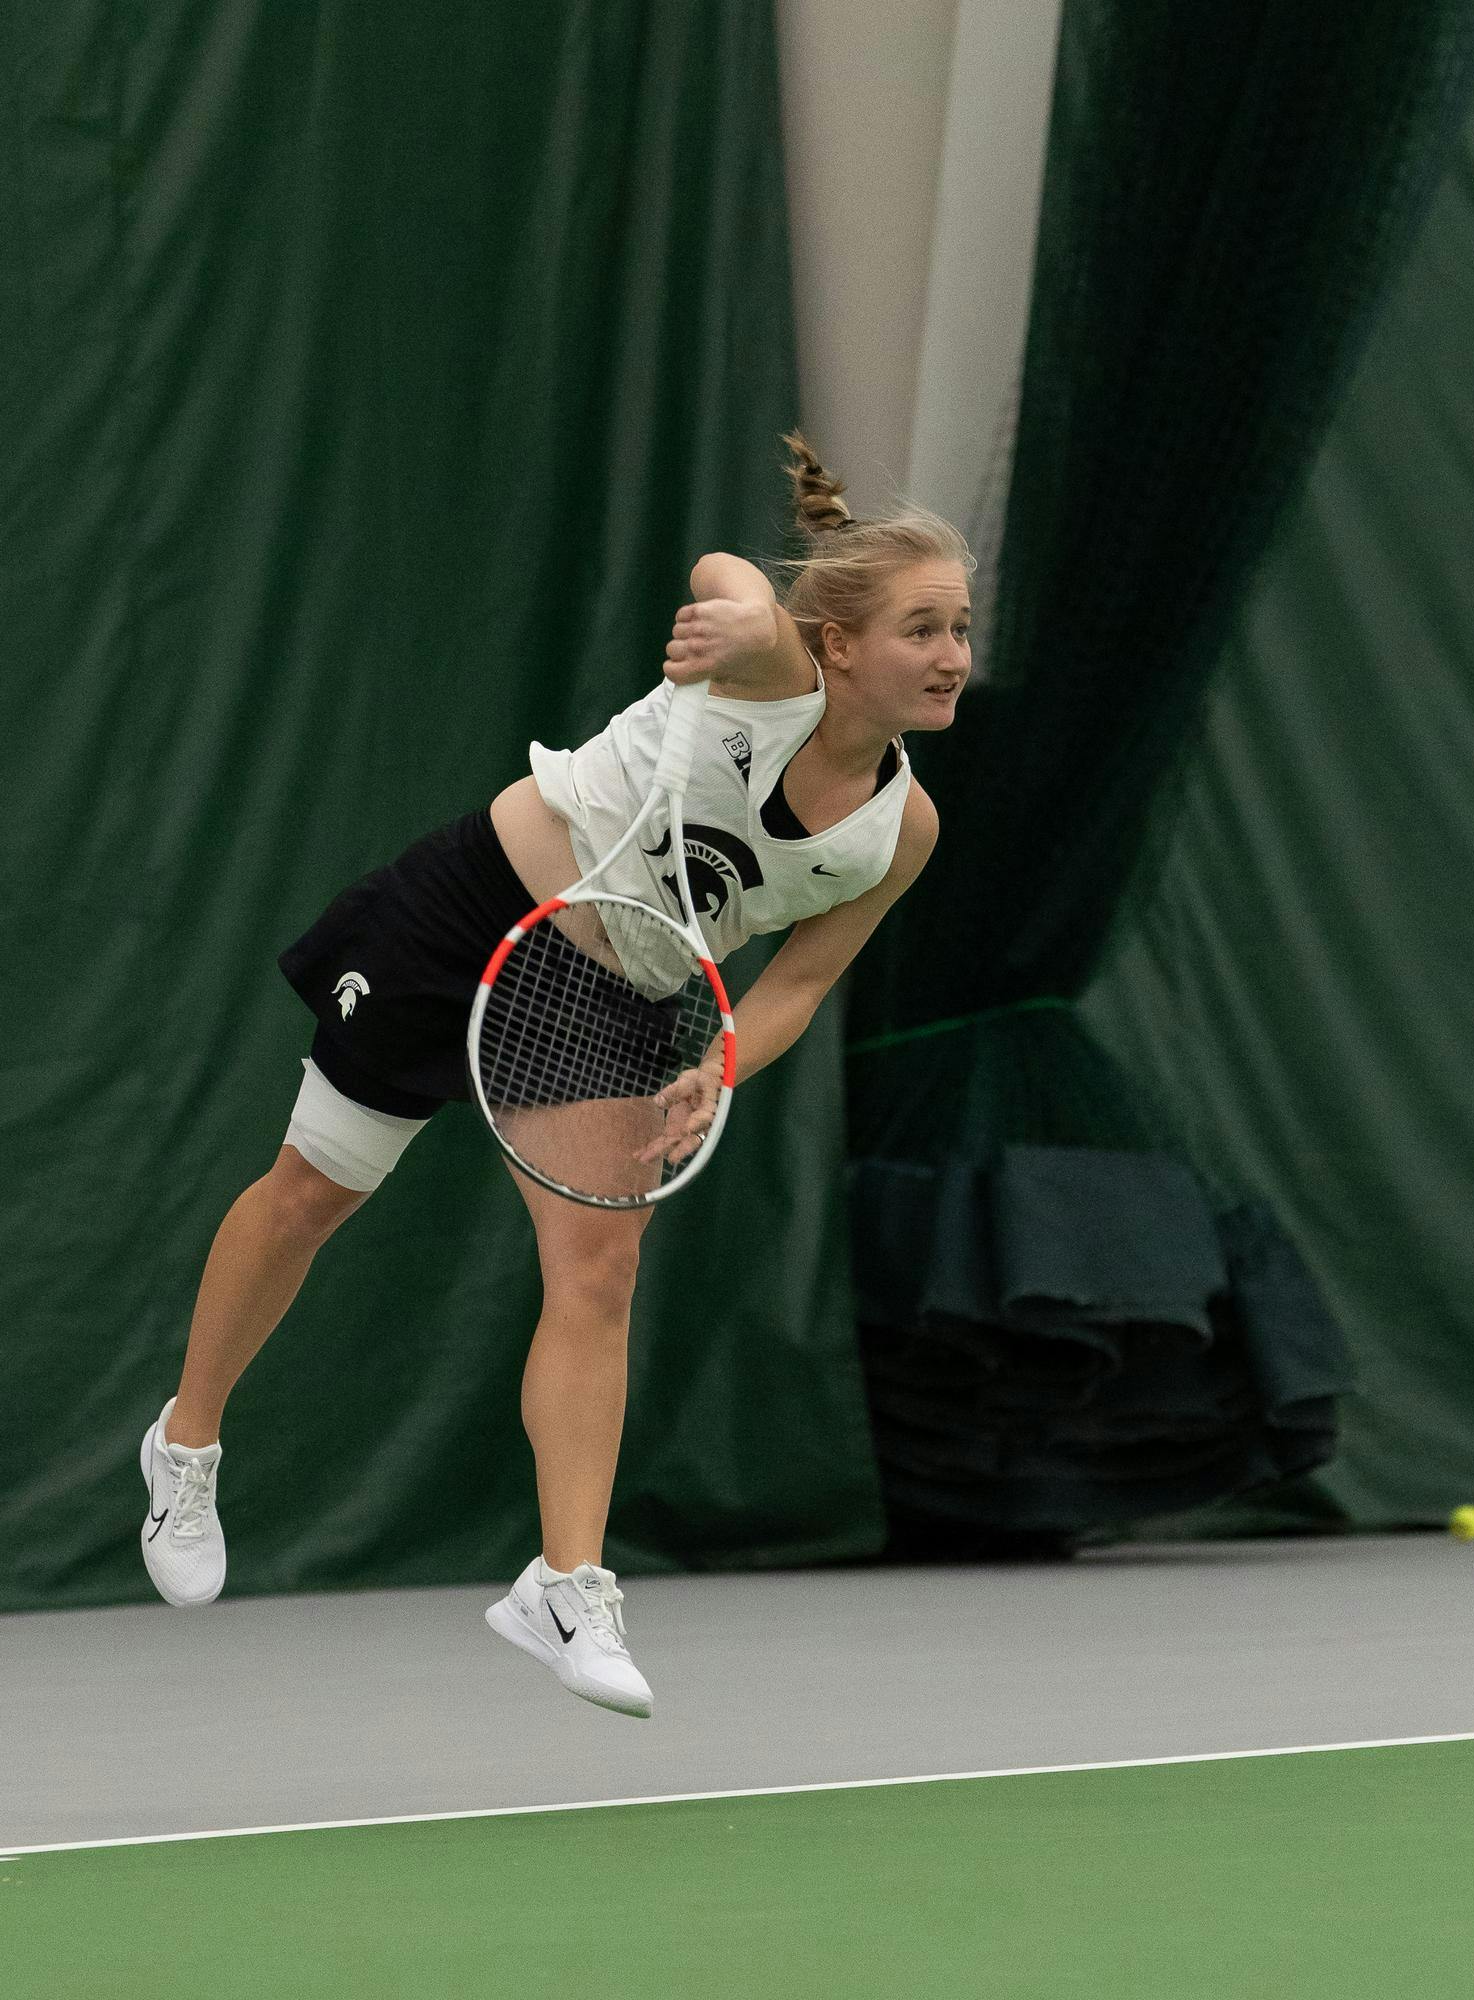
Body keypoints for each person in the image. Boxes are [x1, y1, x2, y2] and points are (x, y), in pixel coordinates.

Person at [138, 432, 975, 1719]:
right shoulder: (772, 666)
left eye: (961, 628)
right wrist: (738, 610)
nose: (952, 655)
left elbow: (801, 976)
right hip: (477, 906)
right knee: (313, 1190)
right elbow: (728, 583)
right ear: (841, 641)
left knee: (600, 1268)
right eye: (923, 628)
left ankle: (566, 1581)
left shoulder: (900, 830)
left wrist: (723, 1062)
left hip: (613, 995)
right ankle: (187, 1436)